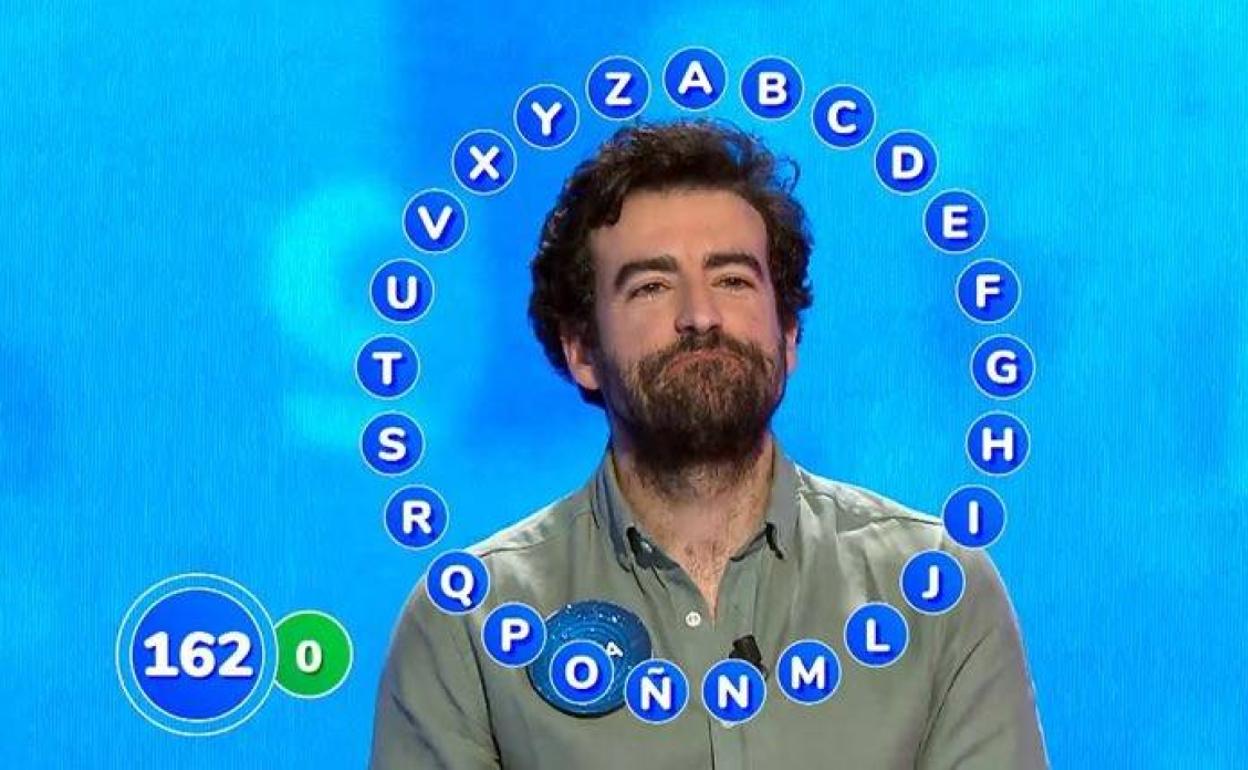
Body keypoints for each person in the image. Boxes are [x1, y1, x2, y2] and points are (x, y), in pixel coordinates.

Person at [369, 119, 1049, 769]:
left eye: (732, 279)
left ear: (788, 335)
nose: (700, 316)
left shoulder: (936, 590)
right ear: (581, 350)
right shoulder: (468, 622)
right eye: (651, 286)